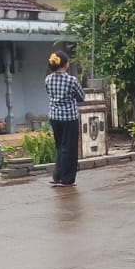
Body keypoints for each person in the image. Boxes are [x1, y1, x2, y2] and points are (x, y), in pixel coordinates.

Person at [45, 50, 85, 188]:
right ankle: (67, 179)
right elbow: (81, 97)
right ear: (65, 64)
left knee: (60, 147)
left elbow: (49, 93)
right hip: (69, 117)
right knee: (70, 148)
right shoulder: (71, 80)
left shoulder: (48, 79)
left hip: (54, 117)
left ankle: (57, 175)